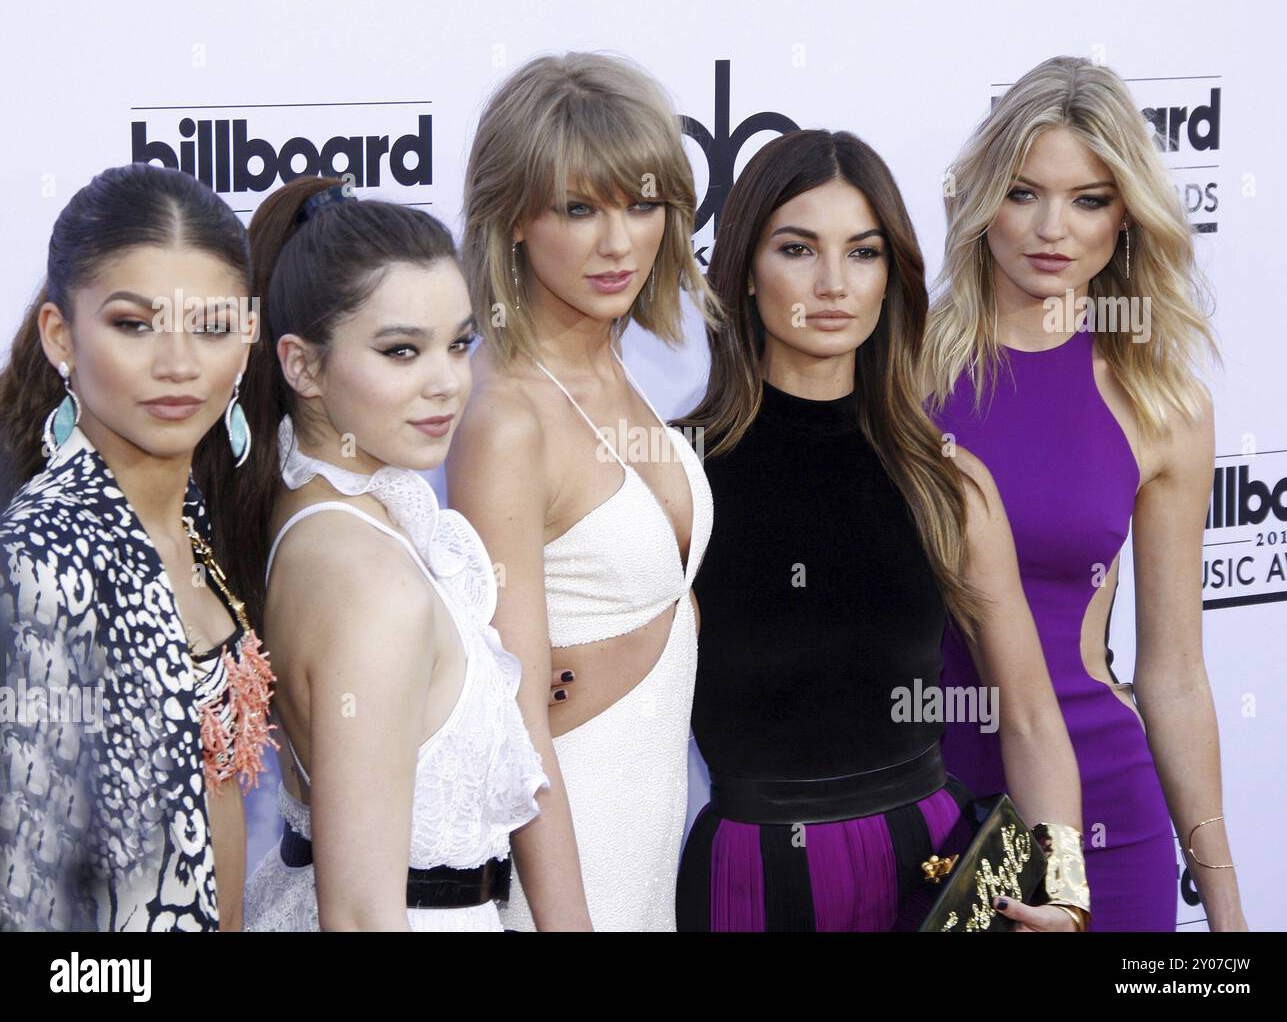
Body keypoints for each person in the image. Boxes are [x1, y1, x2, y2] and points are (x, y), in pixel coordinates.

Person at [674, 129, 1089, 932]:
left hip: (932, 877)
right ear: (743, 273)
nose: (833, 283)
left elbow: (1031, 714)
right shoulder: (675, 475)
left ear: (892, 277)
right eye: (798, 248)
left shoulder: (946, 481)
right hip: (749, 880)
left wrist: (1065, 890)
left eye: (862, 253)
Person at [923, 55, 1246, 931]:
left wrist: (1225, 908)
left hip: (1108, 823)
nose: (1050, 228)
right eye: (1024, 193)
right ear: (982, 197)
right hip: (920, 816)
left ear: (1126, 216)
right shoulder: (900, 370)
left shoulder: (1161, 401)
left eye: (1089, 199)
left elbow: (1173, 673)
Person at [448, 52, 720, 930]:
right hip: (568, 864)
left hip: (650, 840)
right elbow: (516, 718)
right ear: (513, 220)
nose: (618, 242)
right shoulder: (507, 417)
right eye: (578, 208)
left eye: (641, 204)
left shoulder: (624, 373)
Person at [232, 177, 546, 931]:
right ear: (302, 366)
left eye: (460, 343)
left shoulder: (315, 513)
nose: (446, 382)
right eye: (401, 350)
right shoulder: (366, 576)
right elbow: (365, 912)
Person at [0, 162, 269, 931]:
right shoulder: (45, 559)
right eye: (134, 323)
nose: (178, 363)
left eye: (211, 326)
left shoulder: (187, 518)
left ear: (246, 338)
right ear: (61, 334)